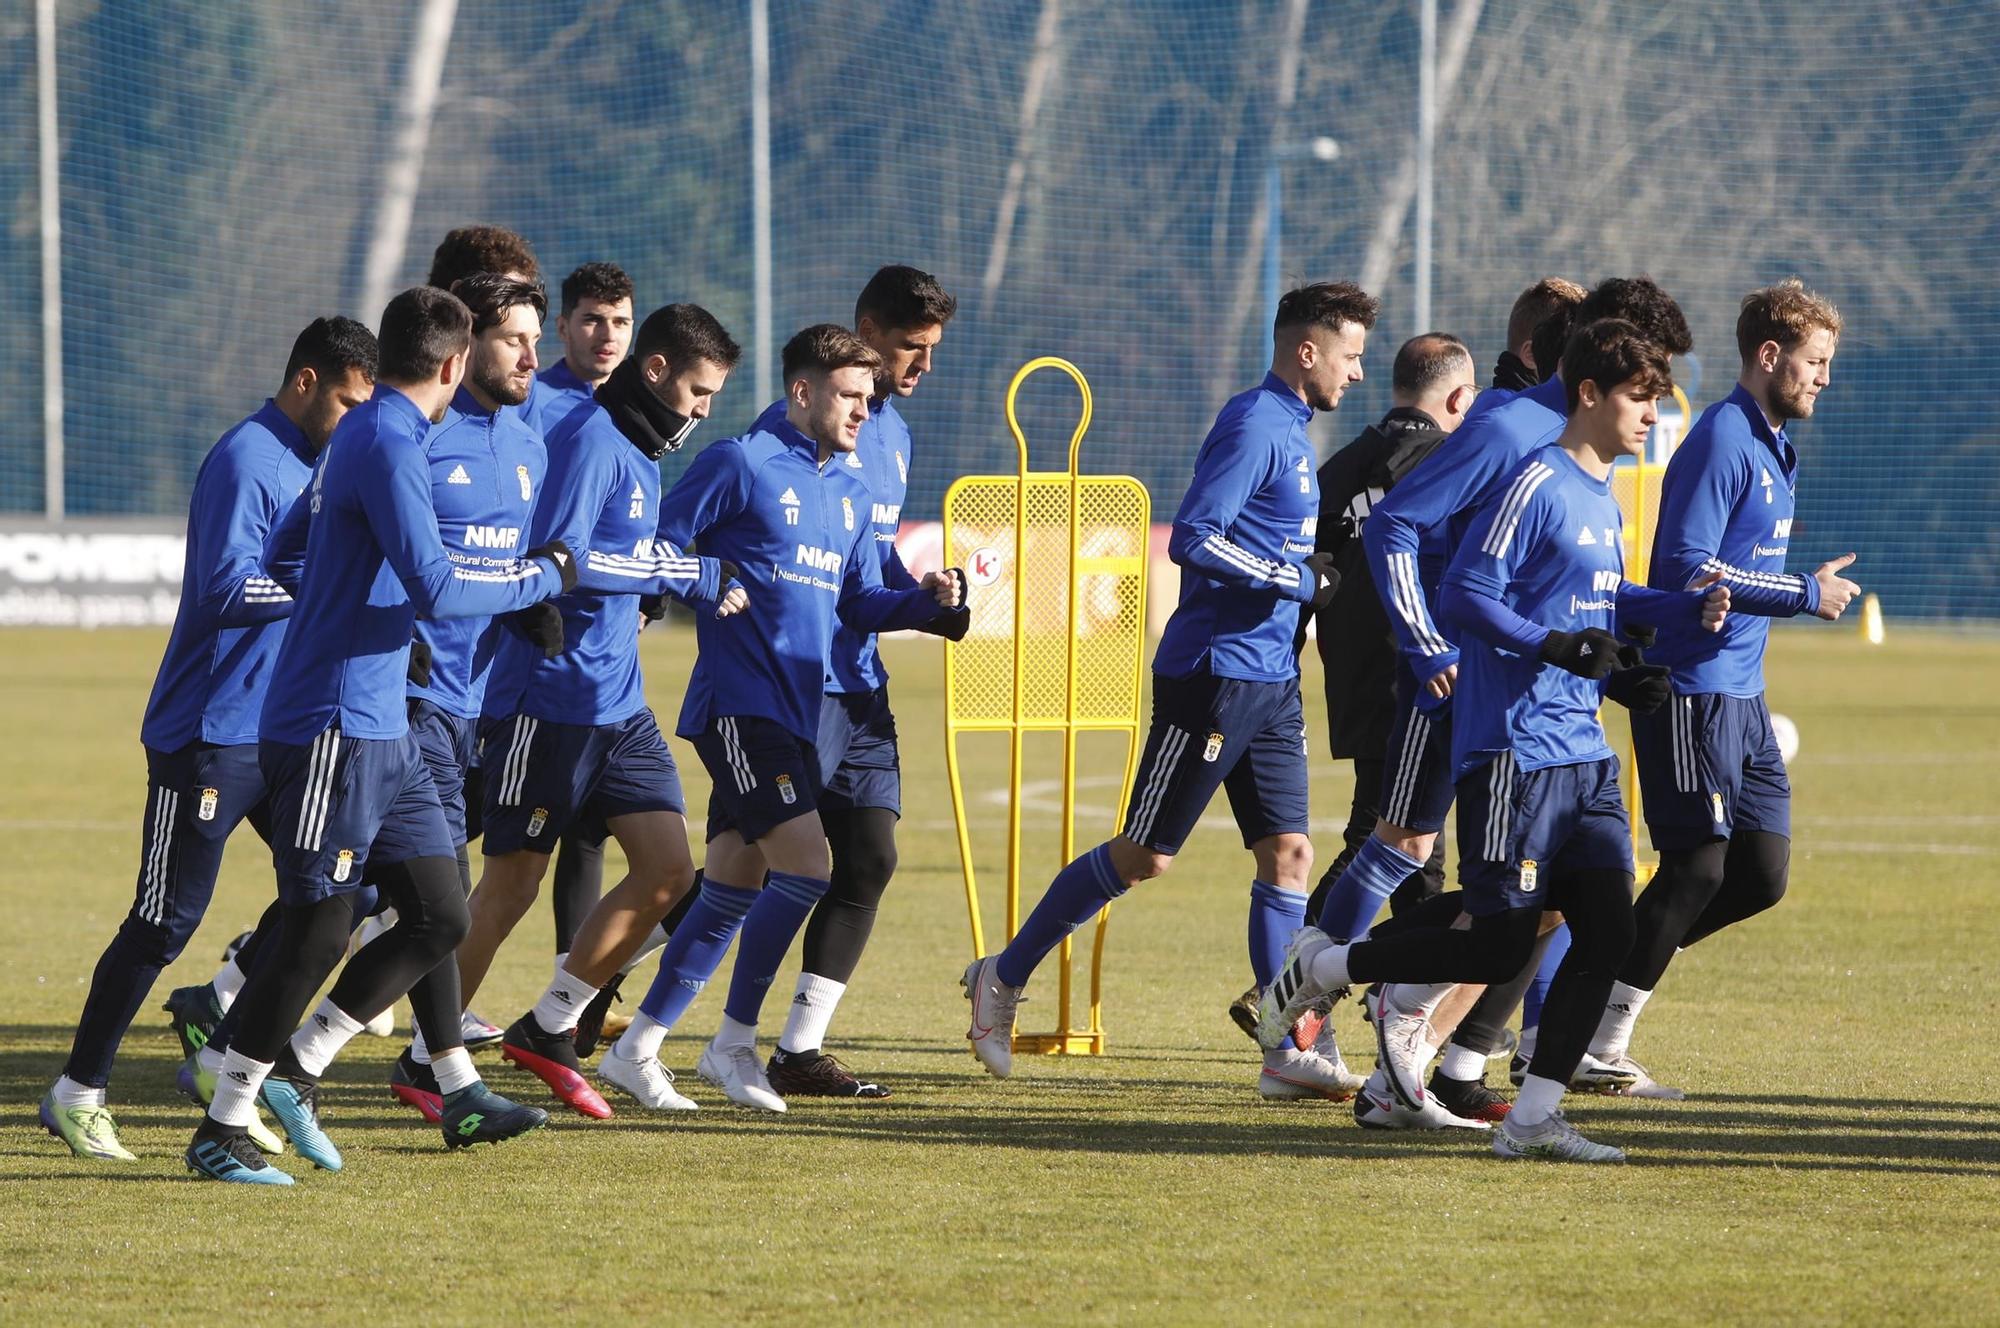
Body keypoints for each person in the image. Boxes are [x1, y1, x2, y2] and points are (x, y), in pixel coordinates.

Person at [1259, 318, 1728, 1162]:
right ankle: (1331, 969)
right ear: (1590, 392)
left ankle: (1534, 1118)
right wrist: (1553, 648)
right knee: (1500, 935)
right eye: (1640, 398)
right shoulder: (1533, 479)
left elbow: (1594, 603)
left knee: (1604, 929)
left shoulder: (1600, 493)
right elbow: (1471, 594)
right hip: (1514, 749)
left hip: (1582, 751)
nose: (1653, 416)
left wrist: (1642, 649)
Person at [183, 286, 572, 1185]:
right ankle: (224, 1120)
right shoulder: (389, 440)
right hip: (330, 725)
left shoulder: (371, 437)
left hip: (384, 716)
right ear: (451, 364)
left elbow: (299, 554)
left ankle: (302, 1066)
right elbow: (435, 587)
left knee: (440, 911)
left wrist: (359, 610)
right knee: (319, 923)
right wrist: (538, 579)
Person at [962, 282, 1367, 1099]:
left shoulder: (1293, 428)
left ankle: (1282, 1046)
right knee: (1147, 856)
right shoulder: (1256, 422)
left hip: (1272, 679)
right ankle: (999, 977)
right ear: (1308, 350)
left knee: (1290, 855)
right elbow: (1194, 538)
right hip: (1212, 675)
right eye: (1351, 356)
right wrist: (1297, 580)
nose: (1357, 374)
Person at [597, 324, 962, 1113]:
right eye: (849, 395)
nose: (864, 411)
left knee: (732, 887)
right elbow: (663, 541)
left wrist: (930, 605)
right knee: (809, 869)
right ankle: (732, 1044)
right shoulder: (739, 461)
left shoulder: (853, 488)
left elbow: (862, 600)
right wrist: (696, 585)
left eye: (869, 398)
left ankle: (637, 1047)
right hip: (738, 704)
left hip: (800, 708)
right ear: (802, 391)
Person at [39, 319, 376, 1162]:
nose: (350, 416)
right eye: (344, 398)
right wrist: (325, 596)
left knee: (338, 898)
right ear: (304, 381)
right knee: (162, 920)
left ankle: (226, 1049)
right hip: (209, 732)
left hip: (282, 728)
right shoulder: (246, 458)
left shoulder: (318, 461)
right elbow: (226, 589)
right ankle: (77, 1092)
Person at [458, 303, 744, 1120]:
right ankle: (428, 1050)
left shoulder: (642, 454)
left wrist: (665, 576)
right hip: (546, 701)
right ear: (654, 372)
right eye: (697, 390)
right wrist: (682, 576)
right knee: (510, 885)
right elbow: (560, 556)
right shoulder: (589, 438)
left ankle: (548, 1026)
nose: (701, 410)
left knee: (669, 872)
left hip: (618, 705)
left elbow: (627, 559)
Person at [1584, 280, 1856, 1094]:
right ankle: (1594, 1039)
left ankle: (1592, 987)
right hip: (1692, 686)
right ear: (1768, 355)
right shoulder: (1720, 440)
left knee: (1761, 875)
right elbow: (1686, 570)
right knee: (1696, 868)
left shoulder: (1774, 441)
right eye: (1815, 361)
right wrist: (1804, 593)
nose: (1823, 378)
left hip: (1744, 693)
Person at [760, 265, 960, 1099]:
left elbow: (866, 568)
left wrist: (929, 600)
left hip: (861, 684)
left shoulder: (896, 437)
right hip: (795, 688)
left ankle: (799, 1049)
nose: (921, 366)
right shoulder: (788, 429)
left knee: (869, 857)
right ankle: (595, 988)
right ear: (867, 332)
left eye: (931, 351)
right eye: (910, 347)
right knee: (746, 867)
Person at [531, 261, 635, 434]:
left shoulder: (640, 409)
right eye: (593, 320)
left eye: (620, 322)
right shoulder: (531, 403)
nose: (609, 335)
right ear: (563, 328)